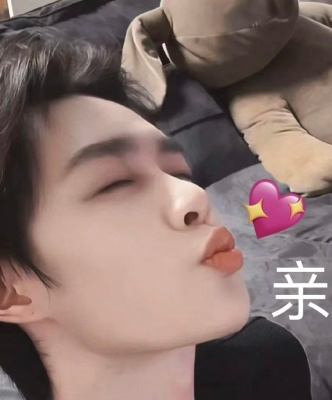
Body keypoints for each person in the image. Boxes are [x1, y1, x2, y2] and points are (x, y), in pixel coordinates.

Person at [0, 31, 312, 400]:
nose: (194, 196)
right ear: (10, 292)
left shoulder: (267, 363)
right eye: (115, 183)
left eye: (178, 171)